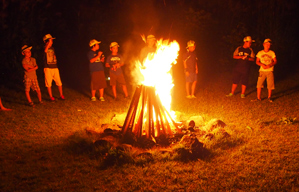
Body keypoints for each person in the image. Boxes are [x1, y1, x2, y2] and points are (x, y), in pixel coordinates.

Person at [43, 34, 65, 101]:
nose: (52, 42)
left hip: (54, 67)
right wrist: (48, 44)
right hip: (48, 68)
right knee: (48, 83)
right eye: (50, 41)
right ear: (46, 42)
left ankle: (61, 95)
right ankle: (51, 97)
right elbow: (45, 51)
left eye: (52, 41)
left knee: (59, 82)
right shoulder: (44, 48)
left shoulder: (52, 48)